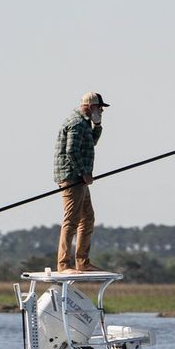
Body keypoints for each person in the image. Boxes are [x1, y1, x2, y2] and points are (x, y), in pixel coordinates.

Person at [53, 91, 109, 273]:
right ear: (90, 106)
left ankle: (82, 262)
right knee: (71, 220)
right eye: (99, 108)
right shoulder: (76, 123)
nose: (101, 110)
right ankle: (63, 265)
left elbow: (91, 142)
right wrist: (84, 173)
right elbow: (71, 152)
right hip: (72, 177)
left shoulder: (84, 122)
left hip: (80, 178)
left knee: (88, 218)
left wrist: (97, 125)